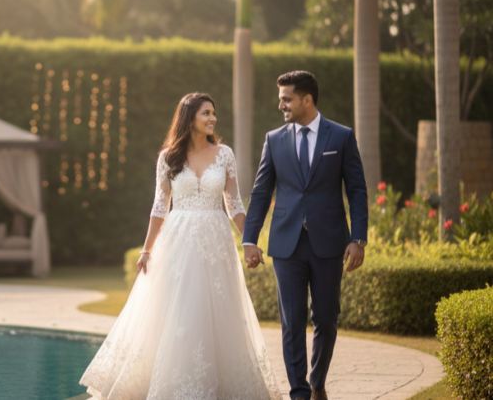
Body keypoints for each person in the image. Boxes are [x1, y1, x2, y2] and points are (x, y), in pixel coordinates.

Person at [80, 92, 281, 400]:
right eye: (206, 113)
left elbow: (234, 204)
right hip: (178, 241)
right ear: (190, 117)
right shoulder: (168, 157)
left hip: (216, 241)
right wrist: (147, 249)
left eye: (214, 113)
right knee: (176, 309)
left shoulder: (225, 153)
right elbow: (160, 206)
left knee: (214, 308)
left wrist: (250, 241)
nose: (213, 118)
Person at [242, 71, 368, 400]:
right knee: (292, 323)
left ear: (306, 100)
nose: (280, 104)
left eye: (286, 98)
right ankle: (299, 393)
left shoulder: (341, 137)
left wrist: (359, 238)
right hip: (286, 244)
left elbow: (357, 190)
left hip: (329, 244)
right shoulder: (274, 139)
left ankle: (317, 380)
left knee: (326, 318)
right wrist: (249, 238)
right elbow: (259, 193)